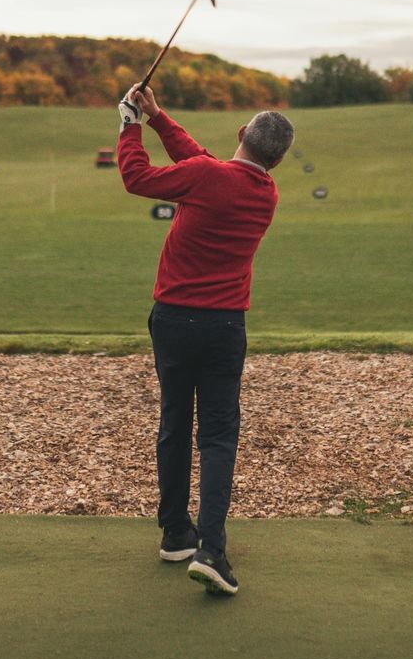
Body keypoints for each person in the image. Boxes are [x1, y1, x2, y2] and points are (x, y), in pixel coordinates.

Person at [115, 82, 294, 596]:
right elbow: (204, 164)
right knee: (217, 436)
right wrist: (157, 116)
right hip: (224, 328)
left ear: (240, 133)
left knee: (175, 422)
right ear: (278, 161)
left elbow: (137, 178)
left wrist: (129, 125)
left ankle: (175, 532)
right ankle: (210, 549)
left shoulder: (207, 177)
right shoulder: (265, 193)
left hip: (173, 320)